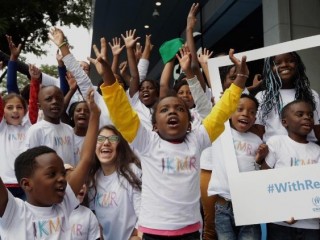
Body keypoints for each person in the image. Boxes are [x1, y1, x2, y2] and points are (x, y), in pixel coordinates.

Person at [86, 24, 248, 238]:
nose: (172, 112)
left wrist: (240, 81)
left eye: (180, 108)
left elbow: (220, 113)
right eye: (164, 109)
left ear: (190, 123)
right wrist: (107, 75)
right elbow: (122, 112)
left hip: (190, 230)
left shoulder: (197, 139)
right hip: (154, 231)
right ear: (154, 125)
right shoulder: (146, 141)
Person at [0, 89, 100, 239]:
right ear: (27, 184)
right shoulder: (13, 211)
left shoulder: (64, 204)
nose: (62, 178)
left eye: (62, 173)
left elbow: (86, 159)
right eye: (52, 174)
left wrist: (95, 115)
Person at [260, 100, 320, 239]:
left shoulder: (317, 150)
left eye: (310, 115)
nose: (307, 118)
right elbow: (265, 179)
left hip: (311, 224)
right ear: (285, 122)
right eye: (300, 114)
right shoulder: (277, 143)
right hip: (280, 221)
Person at [212, 94, 268, 240]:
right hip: (224, 205)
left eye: (251, 112)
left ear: (255, 119)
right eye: (240, 109)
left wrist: (259, 159)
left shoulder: (256, 140)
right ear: (230, 113)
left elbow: (257, 173)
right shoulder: (220, 133)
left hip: (248, 205)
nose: (245, 114)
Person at [0, 36, 40, 199]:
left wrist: (35, 81)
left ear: (25, 111)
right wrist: (12, 59)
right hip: (3, 185)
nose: (15, 111)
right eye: (9, 108)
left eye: (19, 107)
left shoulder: (29, 123)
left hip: (26, 184)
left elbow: (33, 100)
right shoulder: (2, 126)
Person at [88, 125, 142, 240]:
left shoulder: (131, 172)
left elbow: (143, 213)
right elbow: (96, 220)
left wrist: (136, 236)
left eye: (113, 139)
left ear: (120, 146)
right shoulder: (93, 177)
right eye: (100, 139)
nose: (106, 143)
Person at [253, 52, 320, 142]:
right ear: (269, 69)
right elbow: (259, 129)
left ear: (297, 65)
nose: (284, 65)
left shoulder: (311, 94)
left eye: (290, 61)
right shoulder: (262, 96)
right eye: (277, 63)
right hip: (274, 149)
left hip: (307, 149)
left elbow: (317, 126)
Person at [66, 164, 101, 240]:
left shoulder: (88, 215)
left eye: (83, 182)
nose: (81, 185)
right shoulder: (53, 213)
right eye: (76, 182)